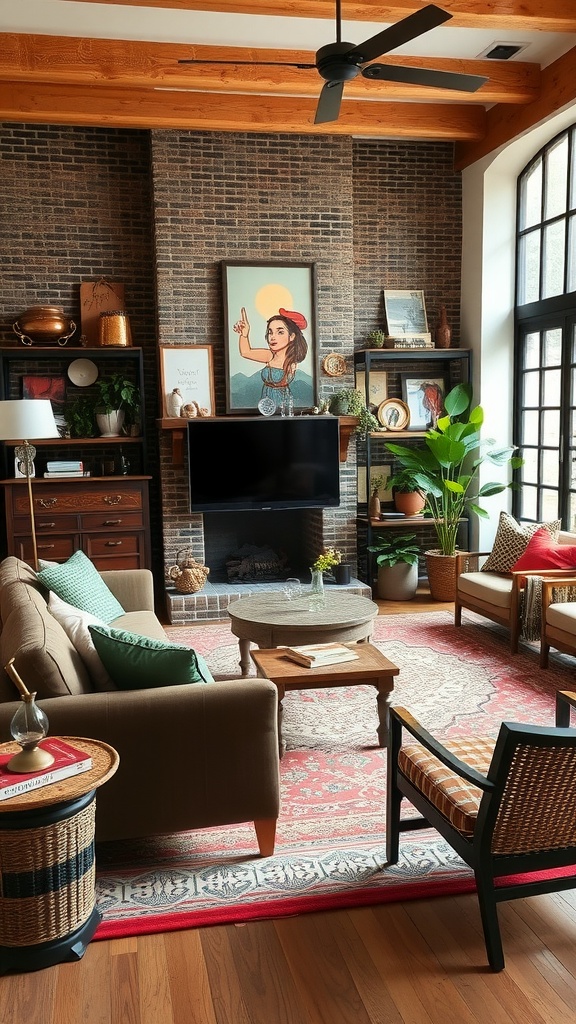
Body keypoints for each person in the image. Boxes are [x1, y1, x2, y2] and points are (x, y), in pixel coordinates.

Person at [233, 306, 308, 407]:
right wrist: (244, 335)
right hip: (265, 404)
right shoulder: (269, 355)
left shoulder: (292, 361)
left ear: (292, 336)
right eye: (270, 332)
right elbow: (245, 352)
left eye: (280, 332)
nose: (272, 337)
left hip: (282, 405)